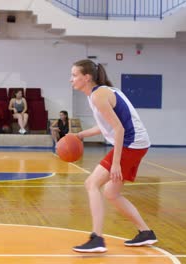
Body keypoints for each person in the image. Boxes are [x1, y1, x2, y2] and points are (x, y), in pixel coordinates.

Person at [70, 59, 157, 253]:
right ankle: (146, 232)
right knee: (111, 193)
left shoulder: (98, 96)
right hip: (137, 143)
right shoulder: (97, 94)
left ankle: (97, 239)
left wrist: (116, 163)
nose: (71, 79)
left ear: (87, 77)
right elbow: (106, 126)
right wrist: (80, 135)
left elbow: (118, 129)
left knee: (91, 184)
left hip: (130, 143)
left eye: (74, 75)